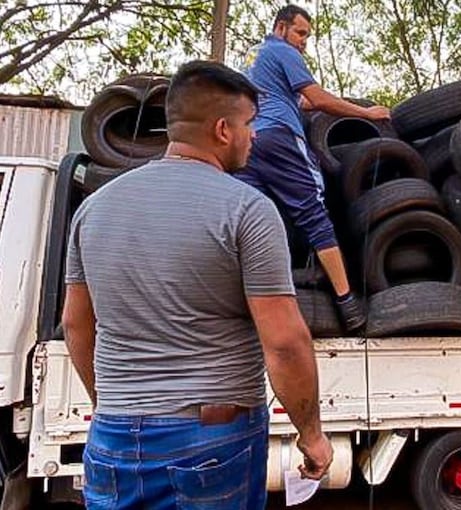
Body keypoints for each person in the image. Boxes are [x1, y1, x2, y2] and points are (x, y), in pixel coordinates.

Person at [62, 60, 332, 510]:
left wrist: (119, 406)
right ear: (223, 130)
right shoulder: (247, 209)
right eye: (250, 124)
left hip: (112, 439)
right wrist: (312, 434)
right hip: (211, 444)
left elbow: (76, 325)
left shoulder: (94, 209)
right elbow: (284, 343)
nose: (256, 135)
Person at [235, 4, 390, 332]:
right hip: (279, 138)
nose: (304, 41)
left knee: (250, 220)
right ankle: (348, 304)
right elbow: (318, 99)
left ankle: (240, 303)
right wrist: (366, 114)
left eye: (307, 35)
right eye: (300, 32)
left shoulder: (251, 56)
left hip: (246, 143)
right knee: (314, 214)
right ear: (281, 28)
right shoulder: (283, 50)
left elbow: (293, 99)